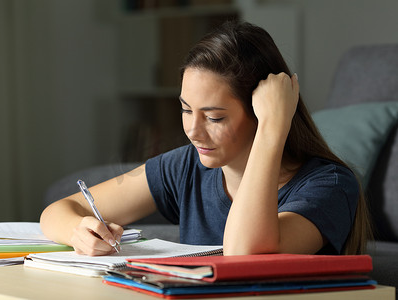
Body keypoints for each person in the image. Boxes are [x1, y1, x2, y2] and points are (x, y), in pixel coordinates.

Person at [40, 21, 371, 256]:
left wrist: (273, 127)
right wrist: (79, 232)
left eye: (215, 117)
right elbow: (58, 210)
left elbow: (245, 252)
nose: (193, 132)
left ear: (262, 112)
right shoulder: (187, 166)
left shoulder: (330, 185)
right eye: (186, 110)